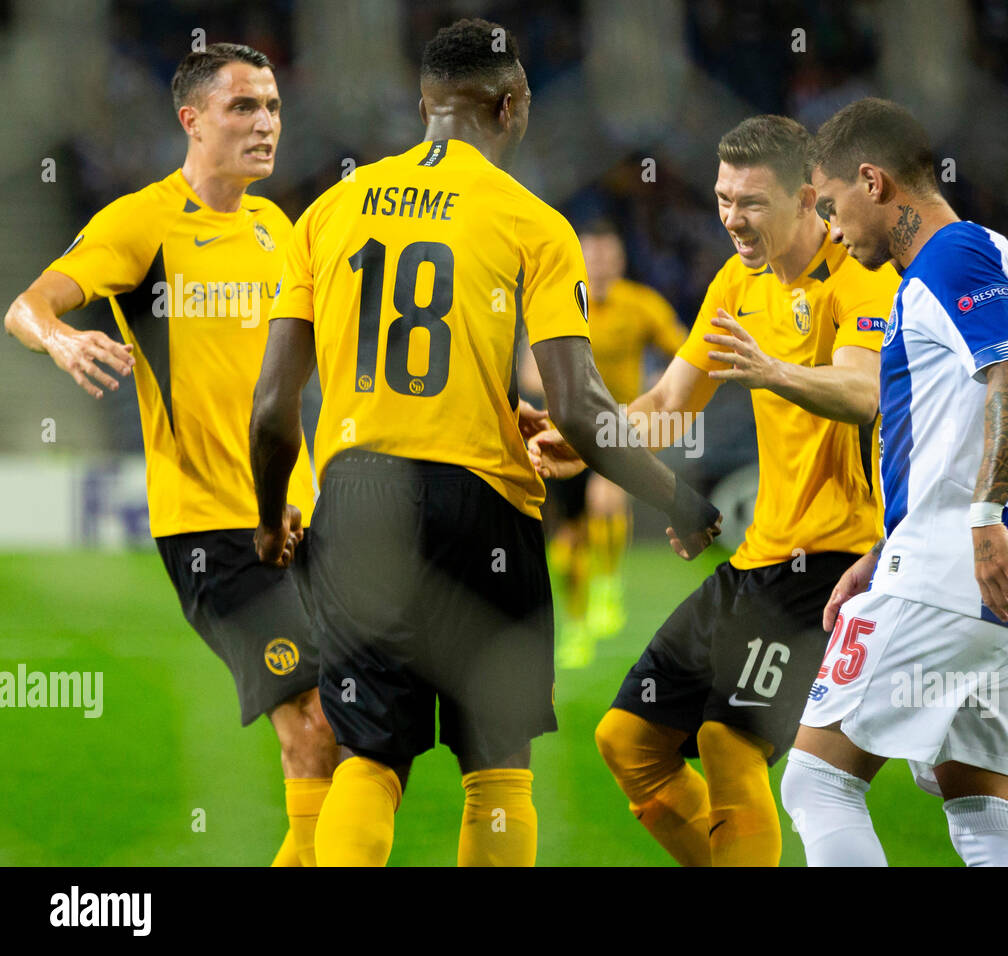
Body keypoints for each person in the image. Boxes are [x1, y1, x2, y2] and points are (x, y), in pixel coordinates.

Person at [250, 17, 719, 868]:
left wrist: (266, 515)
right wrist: (677, 497)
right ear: (514, 105)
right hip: (483, 505)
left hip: (356, 498)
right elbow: (577, 407)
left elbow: (272, 405)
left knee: (369, 757)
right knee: (497, 770)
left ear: (424, 104)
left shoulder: (323, 214)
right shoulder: (533, 222)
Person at [533, 114, 897, 866]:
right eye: (724, 198)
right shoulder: (738, 280)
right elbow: (668, 405)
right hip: (759, 554)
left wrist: (772, 371)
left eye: (752, 202)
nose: (732, 217)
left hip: (836, 560)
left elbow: (865, 391)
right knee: (628, 742)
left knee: (728, 740)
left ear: (806, 198)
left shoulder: (859, 273)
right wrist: (586, 440)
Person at [3, 43, 335, 867]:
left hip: (297, 513)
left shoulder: (276, 228)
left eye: (273, 108)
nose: (267, 125)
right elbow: (27, 302)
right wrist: (59, 339)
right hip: (211, 526)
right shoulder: (140, 223)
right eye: (243, 108)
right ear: (190, 120)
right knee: (314, 725)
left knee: (353, 731)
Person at [779, 97, 1008, 867]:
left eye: (833, 207)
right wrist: (886, 546)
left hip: (952, 572)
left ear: (873, 182)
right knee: (988, 820)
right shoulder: (991, 251)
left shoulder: (949, 259)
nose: (832, 230)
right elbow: (962, 421)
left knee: (816, 784)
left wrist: (979, 518)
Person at [537, 220, 687, 666]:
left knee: (607, 499)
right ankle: (578, 624)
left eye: (608, 256)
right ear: (579, 260)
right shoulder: (559, 300)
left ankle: (608, 585)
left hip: (616, 426)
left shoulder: (641, 305)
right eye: (592, 257)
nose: (600, 266)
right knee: (568, 539)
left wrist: (660, 386)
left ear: (620, 261)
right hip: (563, 430)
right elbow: (529, 362)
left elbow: (684, 351)